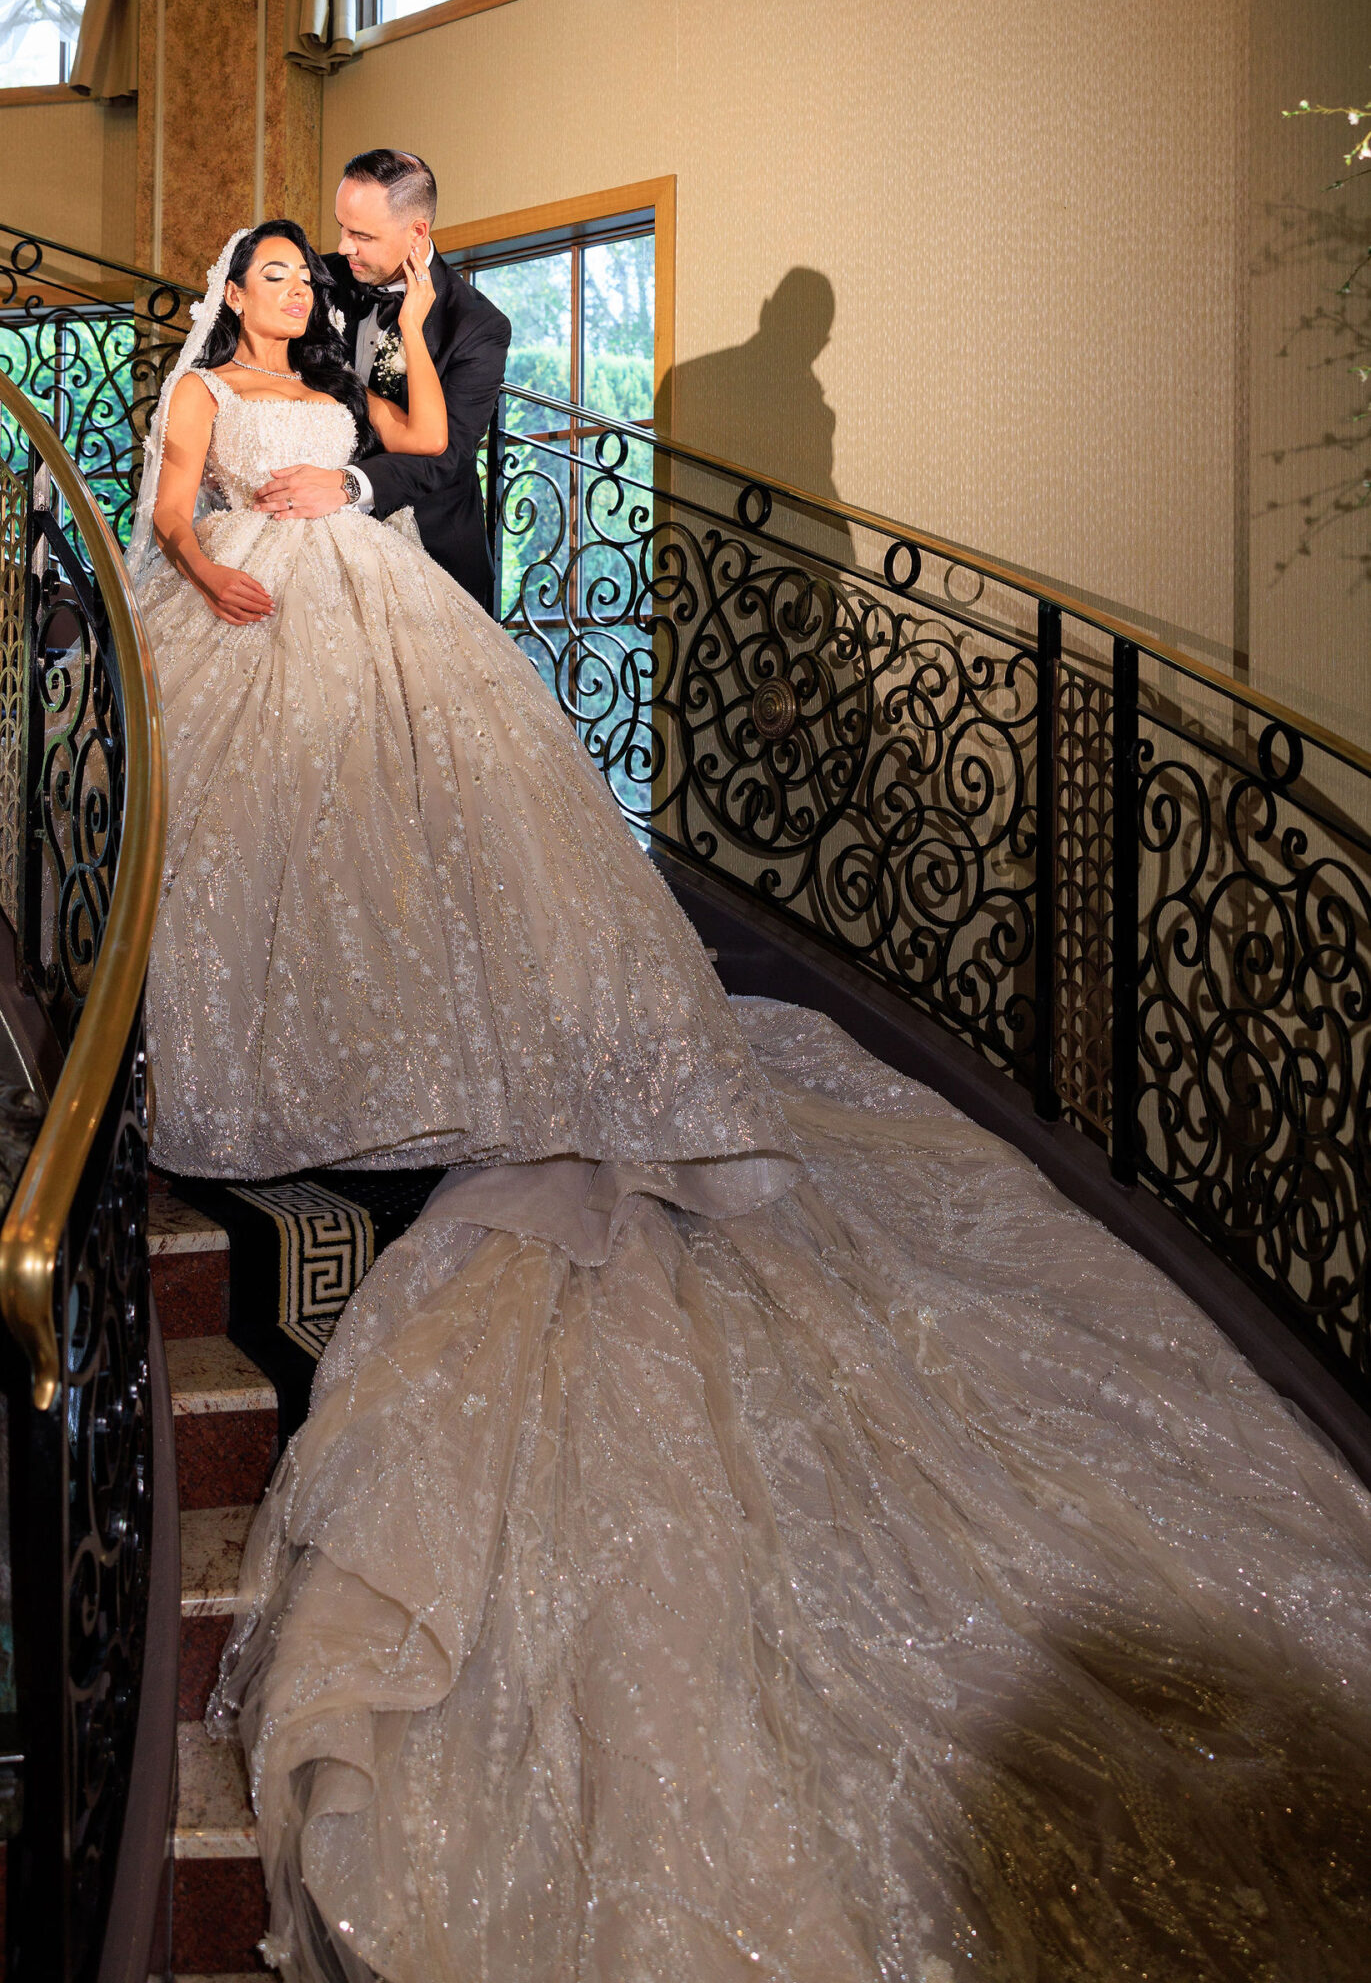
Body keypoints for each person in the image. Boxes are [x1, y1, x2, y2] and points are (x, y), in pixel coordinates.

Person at [129, 225, 1371, 1983]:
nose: (274, 292)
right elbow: (166, 511)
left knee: (454, 834)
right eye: (260, 274)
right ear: (228, 295)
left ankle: (480, 1046)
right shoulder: (200, 392)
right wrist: (221, 568)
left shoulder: (338, 376)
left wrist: (390, 361)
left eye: (285, 277)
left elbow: (426, 445)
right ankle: (313, 1061)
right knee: (296, 852)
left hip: (379, 598)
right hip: (263, 604)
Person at [250, 147, 511, 610]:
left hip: (430, 551)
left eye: (362, 235)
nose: (344, 246)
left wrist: (347, 485)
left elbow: (446, 457)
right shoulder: (315, 280)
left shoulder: (478, 326)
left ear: (417, 232)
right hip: (308, 550)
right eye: (342, 227)